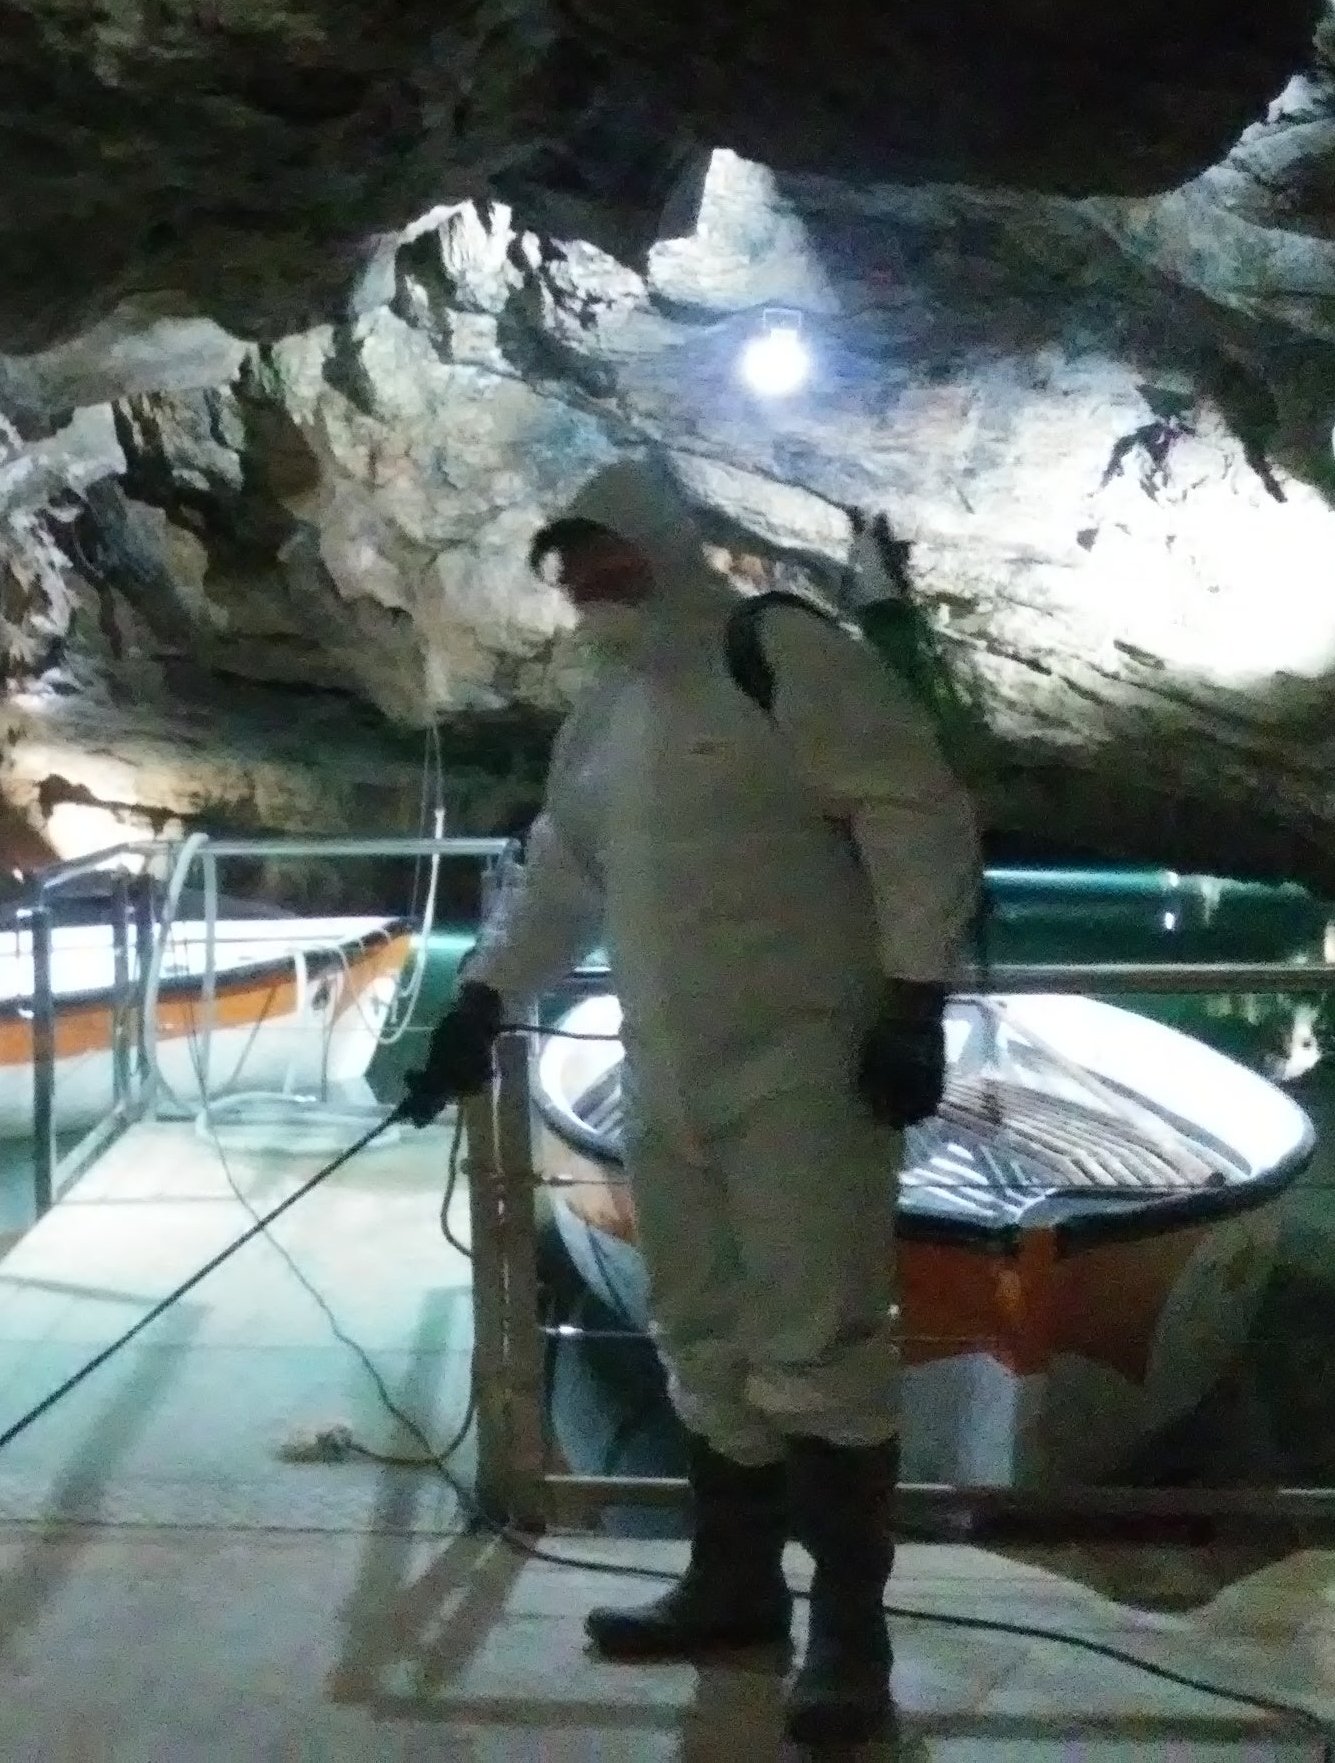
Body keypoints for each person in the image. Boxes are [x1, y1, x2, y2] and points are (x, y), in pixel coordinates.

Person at [400, 457, 980, 1750]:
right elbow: (562, 876)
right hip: (665, 1076)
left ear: (667, 543)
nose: (589, 581)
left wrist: (913, 1001)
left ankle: (851, 1639)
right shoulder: (603, 716)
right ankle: (733, 1590)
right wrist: (482, 1002)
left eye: (608, 552)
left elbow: (914, 812)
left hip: (804, 1076)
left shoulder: (778, 653)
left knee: (820, 1346)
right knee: (701, 1336)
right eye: (571, 565)